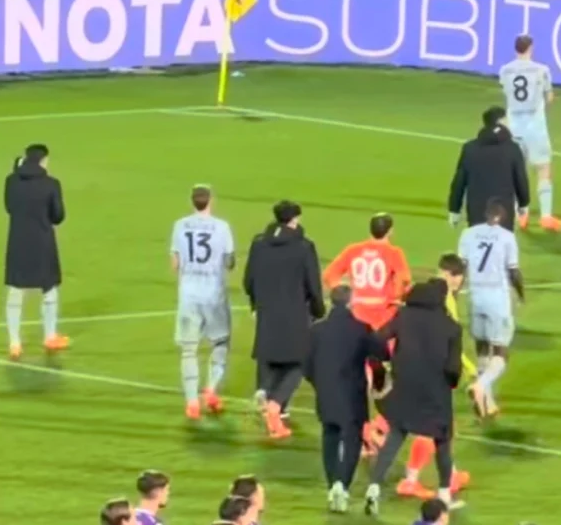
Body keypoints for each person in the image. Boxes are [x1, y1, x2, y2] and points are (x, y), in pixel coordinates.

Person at [364, 278, 464, 517]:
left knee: (396, 437)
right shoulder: (451, 326)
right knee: (442, 442)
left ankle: (374, 487)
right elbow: (453, 367)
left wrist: (386, 362)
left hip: (405, 385)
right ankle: (444, 496)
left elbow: (378, 338)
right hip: (435, 389)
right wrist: (450, 383)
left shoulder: (404, 315)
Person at [322, 213, 411, 453]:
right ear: (390, 231)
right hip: (383, 323)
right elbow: (404, 280)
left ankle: (363, 431)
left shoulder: (354, 250)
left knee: (360, 380)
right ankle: (380, 425)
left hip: (357, 322)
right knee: (399, 373)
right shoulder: (394, 253)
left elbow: (329, 275)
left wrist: (346, 296)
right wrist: (394, 296)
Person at [243, 200, 326, 440]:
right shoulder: (303, 247)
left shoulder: (259, 244)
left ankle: (267, 394)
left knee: (270, 356)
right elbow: (313, 283)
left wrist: (255, 304)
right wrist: (318, 311)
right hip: (296, 312)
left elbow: (249, 280)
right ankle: (276, 404)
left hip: (267, 310)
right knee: (300, 360)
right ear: (294, 219)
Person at [309, 285, 387, 513]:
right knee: (351, 439)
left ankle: (332, 484)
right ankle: (342, 485)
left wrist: (318, 382)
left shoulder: (316, 330)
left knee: (329, 436)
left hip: (325, 392)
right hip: (352, 393)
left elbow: (305, 363)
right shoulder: (360, 328)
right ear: (352, 302)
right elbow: (382, 352)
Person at [170, 184, 238, 420]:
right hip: (214, 295)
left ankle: (191, 402)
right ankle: (210, 389)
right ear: (210, 201)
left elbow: (175, 263)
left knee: (189, 349)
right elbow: (229, 262)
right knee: (220, 343)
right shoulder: (222, 227)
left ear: (192, 201)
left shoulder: (179, 225)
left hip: (188, 295)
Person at [459, 200, 525, 425]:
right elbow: (513, 271)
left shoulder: (468, 234)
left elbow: (461, 267)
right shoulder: (507, 237)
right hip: (497, 298)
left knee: (482, 349)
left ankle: (487, 402)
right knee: (501, 352)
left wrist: (455, 293)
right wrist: (521, 293)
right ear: (502, 216)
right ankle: (481, 386)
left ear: (485, 214)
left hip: (475, 297)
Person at [3, 142, 68, 360]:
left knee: (16, 290)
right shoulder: (51, 184)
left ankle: (14, 343)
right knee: (49, 288)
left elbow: (9, 207)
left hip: (18, 241)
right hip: (42, 240)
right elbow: (58, 216)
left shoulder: (11, 181)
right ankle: (50, 336)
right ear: (44, 160)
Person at [495, 35, 560, 233]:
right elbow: (549, 97)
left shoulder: (505, 70)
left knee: (517, 171)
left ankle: (520, 215)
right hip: (535, 126)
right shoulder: (542, 70)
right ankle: (546, 216)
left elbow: (506, 92)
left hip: (514, 126)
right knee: (543, 169)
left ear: (516, 49)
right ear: (531, 48)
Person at [446, 107, 530, 230]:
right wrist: (523, 204)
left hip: (476, 209)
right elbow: (520, 179)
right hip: (504, 209)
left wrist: (454, 209)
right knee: (502, 244)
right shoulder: (513, 149)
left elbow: (459, 181)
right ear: (500, 122)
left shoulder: (470, 148)